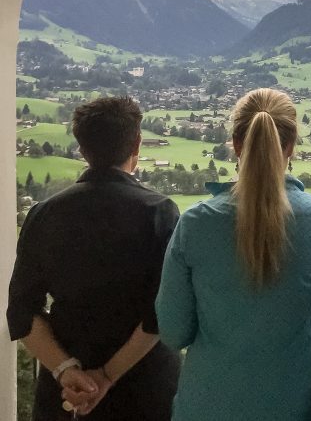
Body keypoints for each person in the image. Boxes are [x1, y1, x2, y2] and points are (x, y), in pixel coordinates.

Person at [156, 88, 311, 421]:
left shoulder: (196, 225)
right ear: (291, 147)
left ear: (235, 144)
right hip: (304, 409)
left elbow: (174, 332)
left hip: (208, 408)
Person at [7, 95, 180, 420]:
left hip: (66, 396)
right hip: (144, 390)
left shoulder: (43, 214)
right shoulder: (159, 213)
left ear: (82, 149)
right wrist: (107, 376)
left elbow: (20, 312)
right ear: (137, 144)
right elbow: (162, 314)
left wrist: (66, 371)